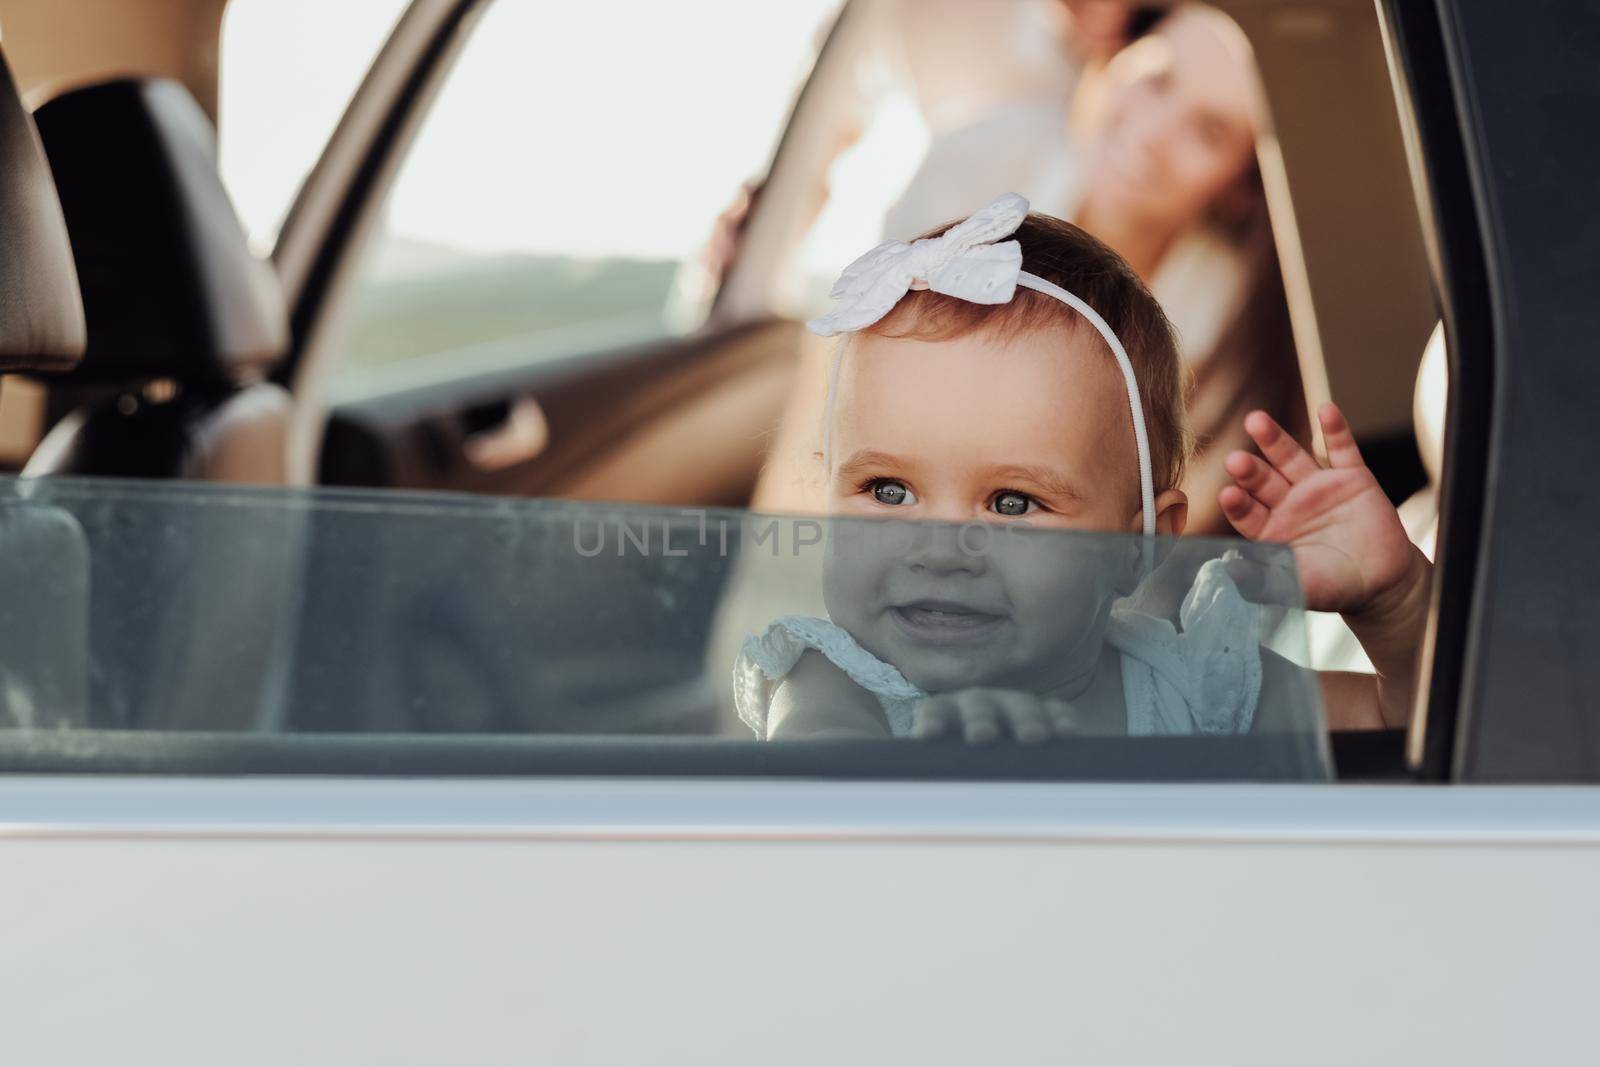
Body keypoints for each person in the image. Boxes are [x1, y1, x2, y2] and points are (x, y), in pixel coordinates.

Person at [732, 195, 1428, 741]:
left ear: (1141, 541)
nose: (940, 548)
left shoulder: (1190, 688)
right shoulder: (834, 686)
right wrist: (931, 780)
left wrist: (1396, 607)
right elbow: (829, 791)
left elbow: (1400, 729)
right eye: (888, 489)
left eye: (1010, 502)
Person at [883, 4, 1303, 534]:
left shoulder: (1220, 323)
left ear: (1240, 189)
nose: (1152, 133)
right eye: (1155, 79)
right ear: (1112, 61)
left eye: (1209, 131)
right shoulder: (975, 163)